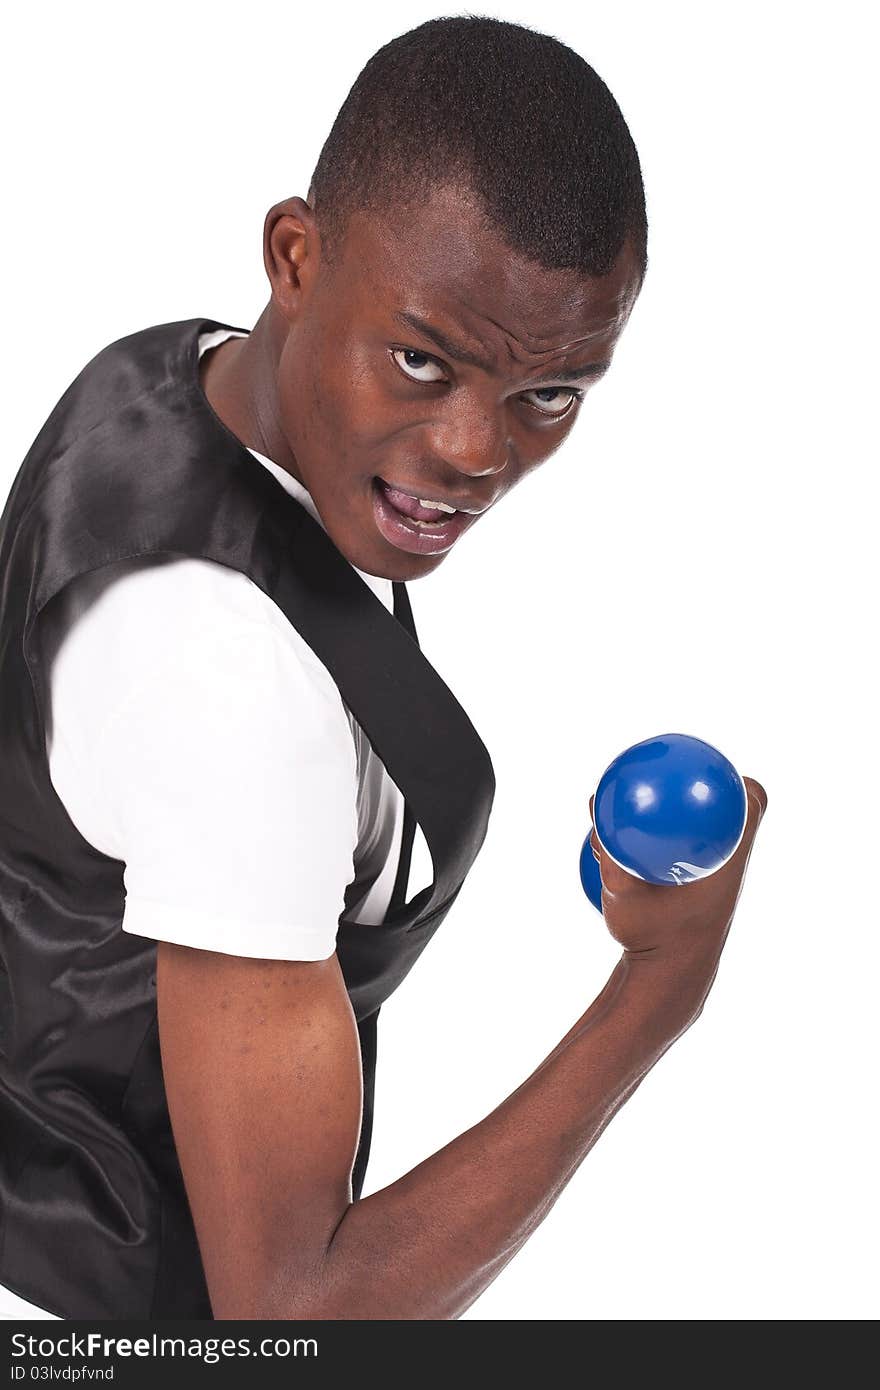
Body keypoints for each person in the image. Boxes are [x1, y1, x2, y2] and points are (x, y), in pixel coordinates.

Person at [0, 16, 766, 1321]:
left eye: (550, 395)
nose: (476, 451)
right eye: (423, 359)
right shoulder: (230, 695)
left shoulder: (177, 377)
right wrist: (661, 983)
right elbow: (293, 1318)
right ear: (295, 255)